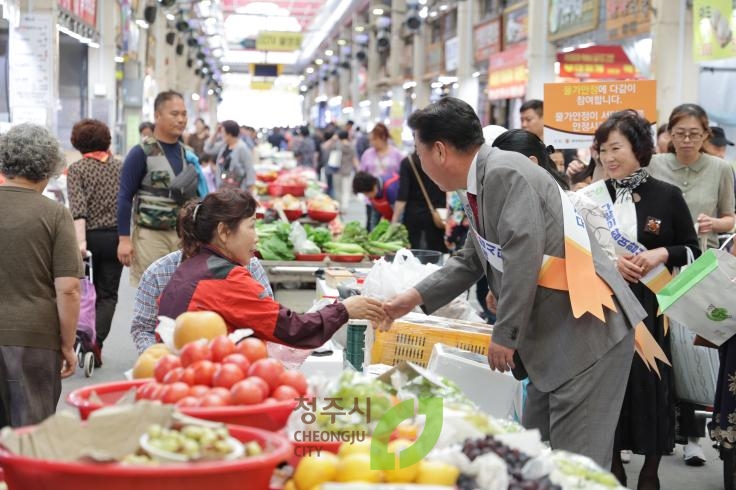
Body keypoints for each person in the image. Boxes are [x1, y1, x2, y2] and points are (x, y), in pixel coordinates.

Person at [382, 97, 646, 469]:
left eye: (418, 150)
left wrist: (504, 335)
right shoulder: (480, 183)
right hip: (551, 337)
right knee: (532, 451)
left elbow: (523, 254)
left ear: (439, 150)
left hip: (586, 334)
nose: (418, 160)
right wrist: (409, 299)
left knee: (577, 464)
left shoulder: (506, 173)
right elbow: (472, 259)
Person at [593, 110, 701, 489]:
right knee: (609, 386)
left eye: (616, 148)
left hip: (653, 307)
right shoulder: (590, 199)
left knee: (651, 384)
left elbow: (693, 251)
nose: (608, 157)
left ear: (639, 149)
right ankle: (613, 465)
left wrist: (661, 254)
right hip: (605, 303)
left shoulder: (667, 196)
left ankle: (651, 469)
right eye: (603, 149)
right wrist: (608, 265)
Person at [158, 188, 386, 347]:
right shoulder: (226, 279)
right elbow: (291, 329)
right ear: (224, 232)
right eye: (251, 227)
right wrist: (344, 310)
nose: (256, 239)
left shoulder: (190, 267)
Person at [650, 104, 736, 468]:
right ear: (668, 133)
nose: (686, 140)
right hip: (660, 268)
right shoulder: (655, 166)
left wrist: (716, 224)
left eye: (695, 134)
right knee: (665, 351)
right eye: (680, 133)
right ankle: (667, 427)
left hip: (704, 272)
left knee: (698, 352)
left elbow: (731, 215)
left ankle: (693, 437)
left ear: (706, 135)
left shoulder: (721, 168)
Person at [0, 124, 83, 426]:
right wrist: (67, 343)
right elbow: (69, 288)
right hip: (33, 340)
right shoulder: (54, 214)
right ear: (48, 169)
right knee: (28, 438)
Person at [117, 90, 208, 287]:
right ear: (157, 115)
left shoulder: (188, 155)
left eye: (184, 114)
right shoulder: (141, 152)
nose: (181, 119)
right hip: (151, 236)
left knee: (180, 294)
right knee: (152, 295)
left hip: (182, 238)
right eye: (174, 114)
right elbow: (125, 196)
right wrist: (124, 239)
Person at [131, 249, 273, 355]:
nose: (255, 238)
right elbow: (143, 328)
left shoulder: (249, 265)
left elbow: (267, 317)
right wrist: (157, 358)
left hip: (237, 363)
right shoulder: (158, 272)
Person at [67, 119, 124, 365]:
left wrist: (79, 243)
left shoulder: (77, 169)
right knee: (108, 295)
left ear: (78, 143)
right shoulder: (119, 167)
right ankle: (95, 344)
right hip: (115, 237)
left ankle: (83, 338)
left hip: (88, 238)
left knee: (85, 292)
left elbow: (78, 210)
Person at [392, 152, 447, 252]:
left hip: (413, 215)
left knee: (413, 252)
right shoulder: (440, 160)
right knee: (436, 252)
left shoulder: (407, 162)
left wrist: (394, 220)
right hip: (437, 214)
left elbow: (402, 194)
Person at [360, 123, 403, 230]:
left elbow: (402, 174)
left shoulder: (396, 154)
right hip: (372, 197)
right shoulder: (367, 154)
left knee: (392, 225)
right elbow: (362, 173)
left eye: (374, 139)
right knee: (372, 224)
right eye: (370, 140)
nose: (371, 143)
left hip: (391, 197)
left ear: (383, 137)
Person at [205, 120, 255, 192]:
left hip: (237, 191)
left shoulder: (242, 148)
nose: (221, 135)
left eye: (222, 132)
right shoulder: (224, 145)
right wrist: (216, 132)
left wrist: (250, 192)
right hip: (223, 189)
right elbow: (207, 149)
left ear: (229, 133)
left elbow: (249, 170)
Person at [325, 130, 359, 210]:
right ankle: (344, 207)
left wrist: (333, 139)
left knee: (337, 190)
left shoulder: (337, 145)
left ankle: (338, 206)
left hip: (336, 170)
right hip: (347, 171)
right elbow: (354, 159)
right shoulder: (351, 146)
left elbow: (325, 147)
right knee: (346, 190)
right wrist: (358, 169)